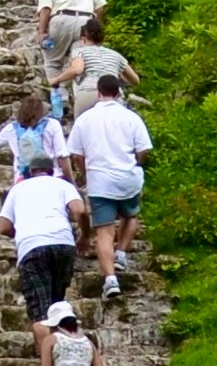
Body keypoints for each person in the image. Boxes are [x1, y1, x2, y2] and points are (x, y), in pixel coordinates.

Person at [64, 78, 154, 295]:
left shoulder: (85, 119)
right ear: (119, 93)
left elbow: (75, 153)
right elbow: (144, 149)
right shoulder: (131, 118)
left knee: (104, 231)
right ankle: (121, 252)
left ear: (98, 92)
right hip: (128, 177)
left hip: (100, 181)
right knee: (130, 216)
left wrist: (86, 171)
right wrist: (136, 161)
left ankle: (111, 280)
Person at [0, 143, 82, 322]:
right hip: (63, 244)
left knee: (41, 310)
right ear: (51, 171)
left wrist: (21, 234)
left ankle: (45, 349)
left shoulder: (17, 189)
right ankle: (62, 344)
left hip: (32, 247)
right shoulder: (63, 185)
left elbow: (3, 227)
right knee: (58, 304)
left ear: (30, 171)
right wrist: (87, 235)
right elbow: (80, 211)